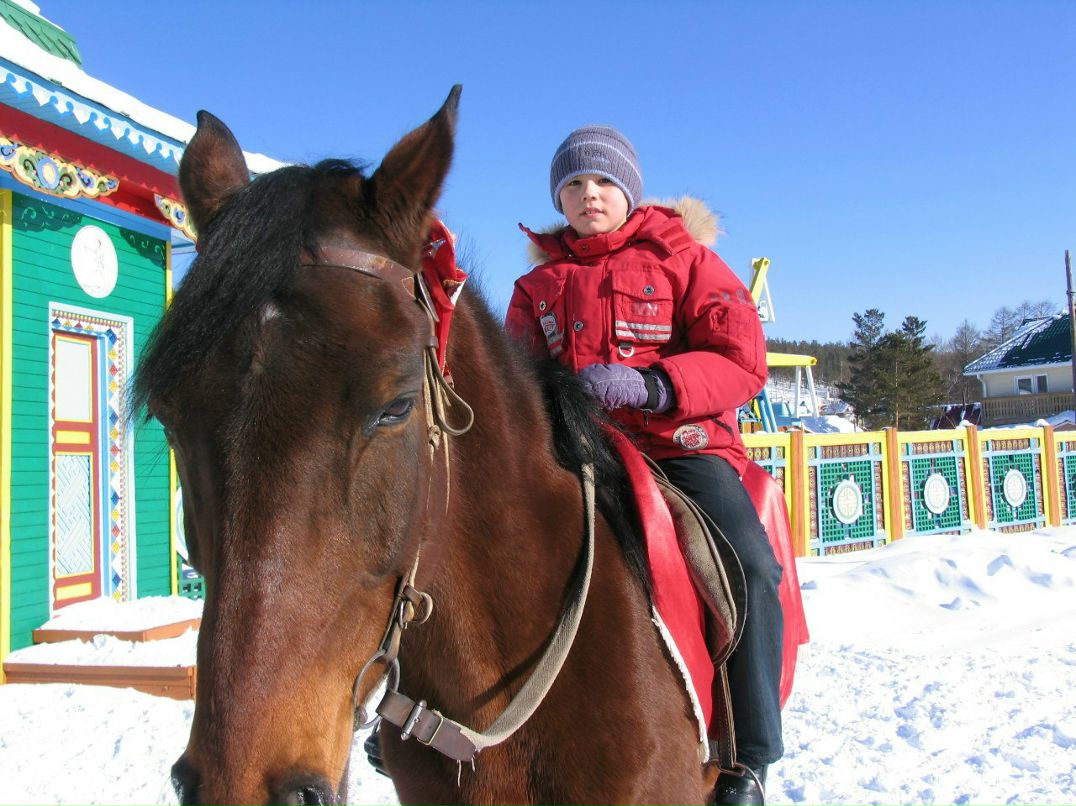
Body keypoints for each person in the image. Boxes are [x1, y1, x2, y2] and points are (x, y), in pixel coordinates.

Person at [505, 126, 784, 806]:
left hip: (679, 447)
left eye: (601, 181)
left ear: (627, 188)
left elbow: (742, 361)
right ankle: (422, 705)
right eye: (572, 184)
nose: (587, 194)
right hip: (575, 449)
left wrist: (654, 386)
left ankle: (748, 753)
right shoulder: (536, 284)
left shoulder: (685, 261)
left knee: (747, 567)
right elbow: (514, 376)